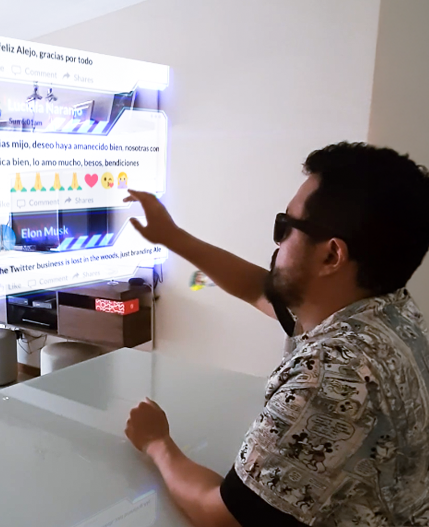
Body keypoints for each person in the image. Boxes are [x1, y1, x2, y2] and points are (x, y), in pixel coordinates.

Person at [124, 142, 429, 527]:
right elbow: (257, 289)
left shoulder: (331, 378)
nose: (278, 240)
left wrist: (157, 443)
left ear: (331, 256)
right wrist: (172, 236)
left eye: (286, 227)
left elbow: (223, 514)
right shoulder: (388, 312)